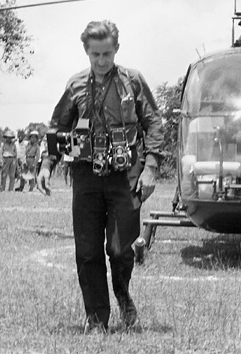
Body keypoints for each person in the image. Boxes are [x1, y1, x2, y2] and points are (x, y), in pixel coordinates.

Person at [37, 20, 164, 333]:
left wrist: (150, 168)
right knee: (88, 251)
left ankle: (122, 294)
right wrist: (45, 164)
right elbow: (57, 128)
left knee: (121, 248)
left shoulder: (133, 81)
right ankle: (96, 320)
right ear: (86, 52)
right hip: (86, 176)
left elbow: (155, 124)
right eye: (95, 54)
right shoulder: (75, 84)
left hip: (127, 176)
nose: (102, 60)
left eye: (107, 53)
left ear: (116, 49)